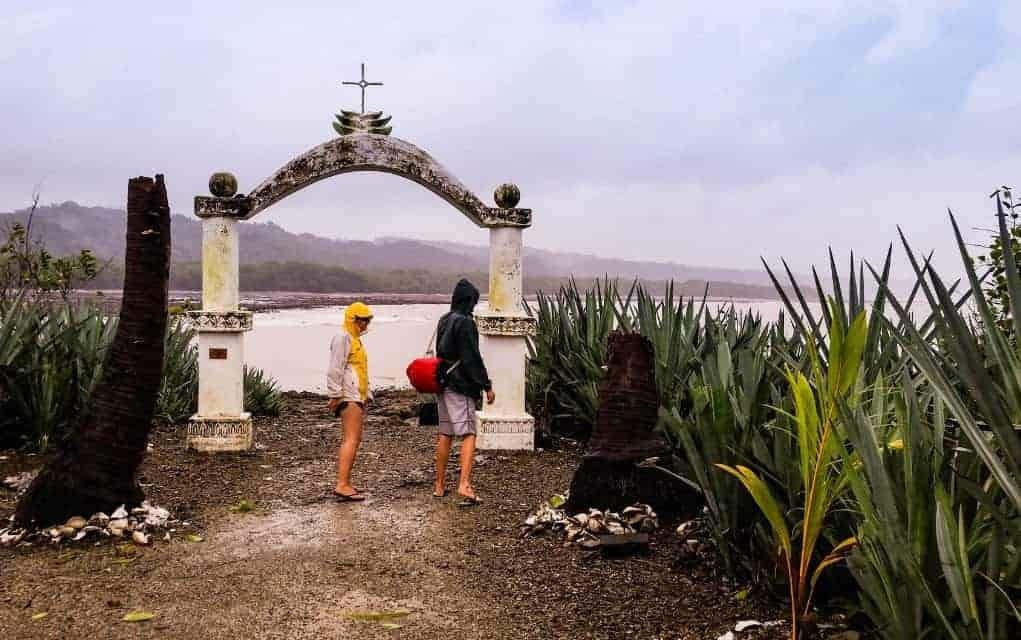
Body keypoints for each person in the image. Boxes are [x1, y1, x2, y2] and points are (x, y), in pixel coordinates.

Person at [433, 279, 495, 505]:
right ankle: (464, 484)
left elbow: (440, 352)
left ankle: (439, 486)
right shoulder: (466, 323)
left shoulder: (444, 319)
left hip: (442, 383)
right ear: (470, 301)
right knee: (469, 433)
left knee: (446, 433)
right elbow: (471, 358)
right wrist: (486, 384)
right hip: (460, 385)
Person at [326, 302, 373, 502]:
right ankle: (342, 484)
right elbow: (335, 368)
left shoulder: (354, 339)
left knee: (354, 439)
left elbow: (359, 369)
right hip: (348, 395)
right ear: (353, 319)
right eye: (363, 320)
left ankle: (345, 481)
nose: (365, 324)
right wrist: (335, 394)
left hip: (356, 395)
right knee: (351, 440)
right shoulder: (342, 337)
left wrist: (367, 393)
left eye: (368, 320)